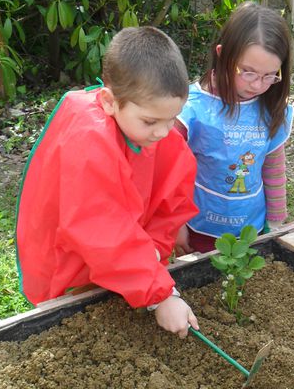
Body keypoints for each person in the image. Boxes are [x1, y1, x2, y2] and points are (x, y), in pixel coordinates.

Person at [16, 26, 200, 338]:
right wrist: (160, 295)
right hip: (70, 255)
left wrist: (152, 255)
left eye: (172, 119)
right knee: (72, 327)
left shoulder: (156, 130)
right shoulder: (87, 141)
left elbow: (171, 198)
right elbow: (100, 228)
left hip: (119, 253)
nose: (162, 132)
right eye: (151, 122)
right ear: (109, 101)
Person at [174, 1, 294, 254]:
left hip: (252, 229)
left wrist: (275, 222)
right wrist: (175, 223)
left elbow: (273, 169)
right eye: (248, 72)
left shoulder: (270, 107)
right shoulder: (191, 109)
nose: (258, 85)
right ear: (222, 54)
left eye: (270, 75)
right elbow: (169, 173)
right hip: (199, 230)